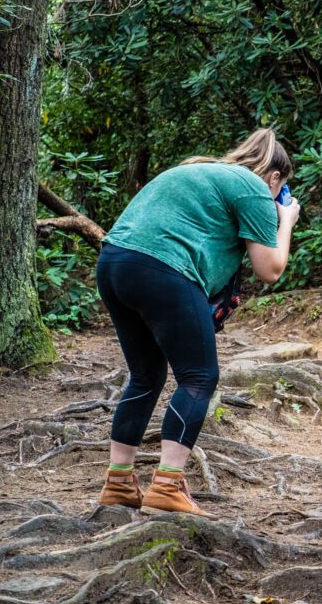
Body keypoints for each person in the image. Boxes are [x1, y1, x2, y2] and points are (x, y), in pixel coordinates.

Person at [95, 128, 300, 516]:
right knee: (199, 377)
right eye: (281, 188)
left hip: (113, 264)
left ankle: (119, 483)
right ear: (275, 178)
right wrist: (285, 218)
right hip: (164, 269)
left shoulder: (198, 170)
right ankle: (167, 486)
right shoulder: (255, 188)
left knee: (145, 376)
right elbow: (269, 269)